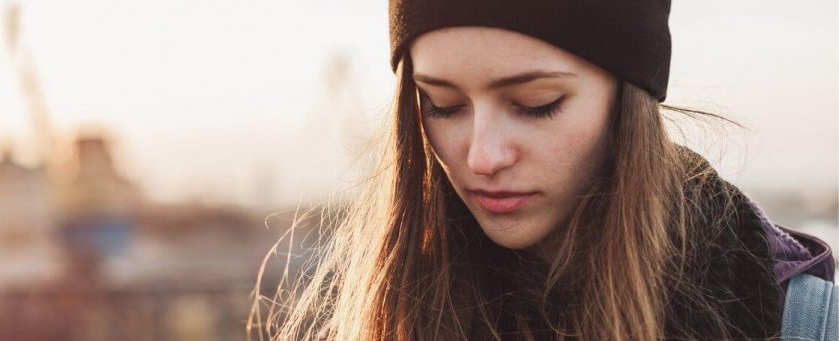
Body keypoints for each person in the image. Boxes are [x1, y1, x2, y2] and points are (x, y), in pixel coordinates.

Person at [254, 1, 835, 340]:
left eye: (535, 104)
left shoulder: (805, 325)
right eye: (443, 105)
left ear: (628, 101)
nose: (480, 157)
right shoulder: (384, 318)